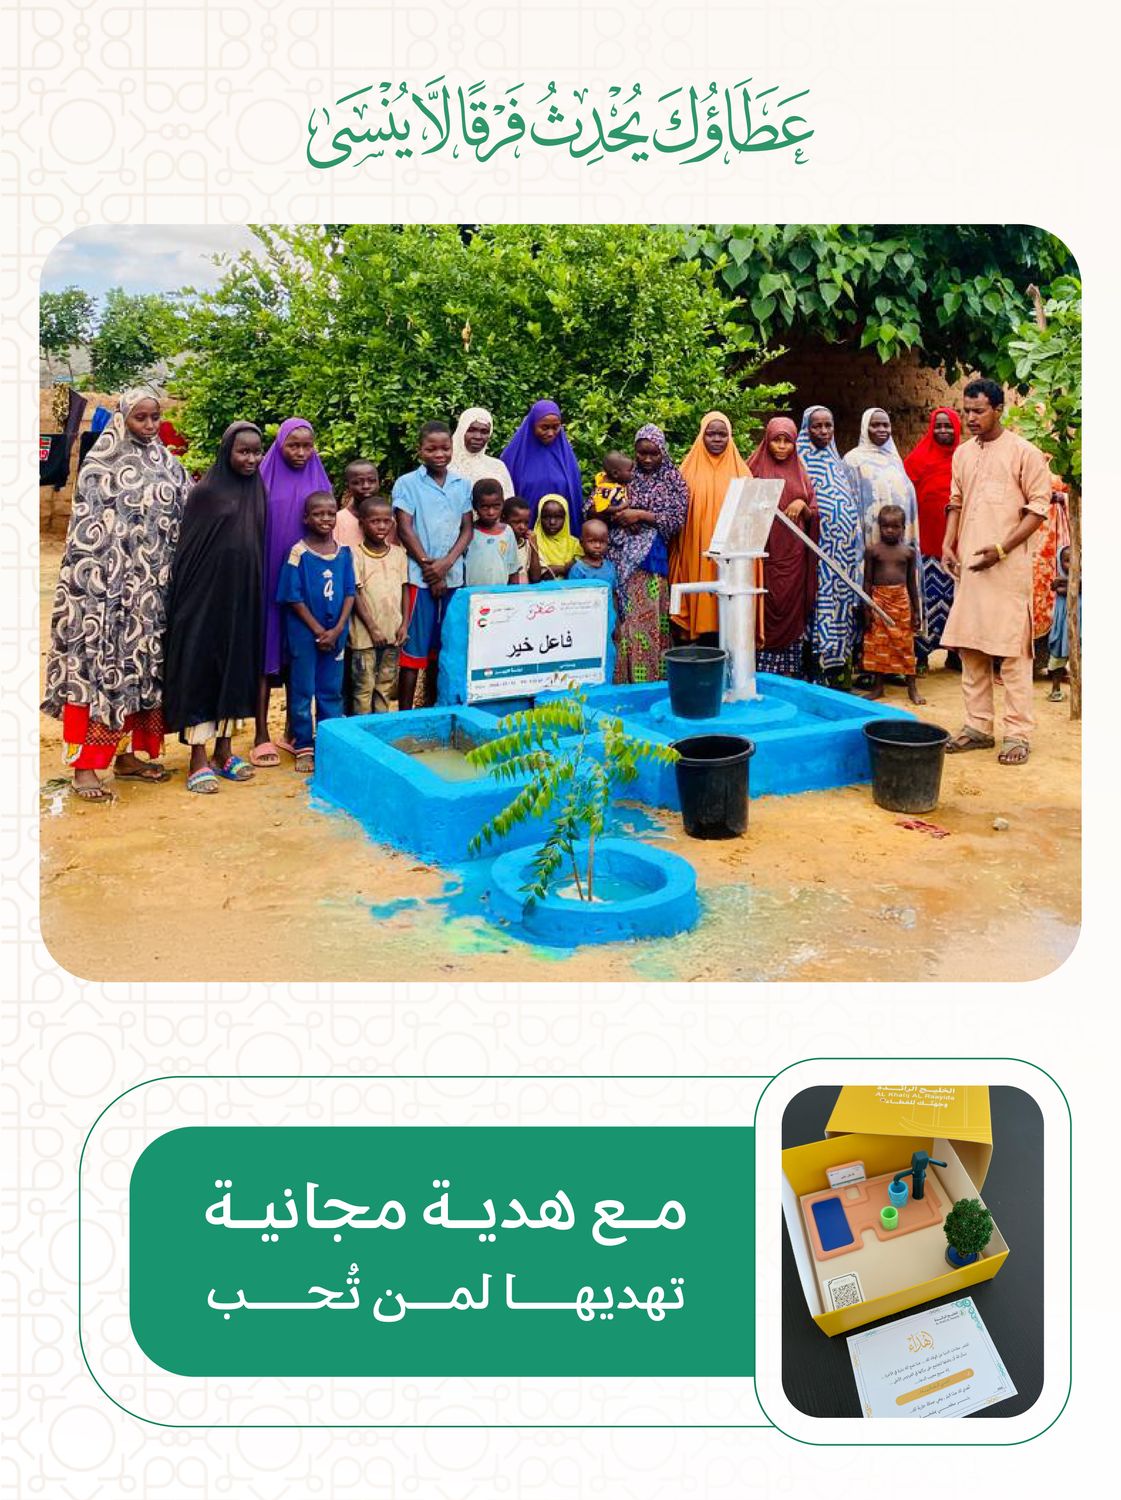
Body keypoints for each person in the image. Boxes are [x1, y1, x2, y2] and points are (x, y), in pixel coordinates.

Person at [41, 387, 190, 801]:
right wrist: (100, 589)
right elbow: (84, 536)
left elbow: (187, 513)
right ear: (124, 417)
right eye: (140, 417)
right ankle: (85, 767)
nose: (148, 425)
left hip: (152, 594)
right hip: (104, 598)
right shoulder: (99, 465)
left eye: (154, 417)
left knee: (142, 671)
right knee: (101, 673)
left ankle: (126, 758)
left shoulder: (167, 464)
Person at [941, 378, 1052, 765]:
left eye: (978, 411)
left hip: (1007, 569)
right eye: (966, 411)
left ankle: (1018, 733)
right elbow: (955, 501)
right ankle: (977, 727)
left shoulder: (1025, 453)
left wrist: (1002, 548)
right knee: (971, 646)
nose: (970, 418)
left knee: (1012, 654)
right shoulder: (963, 454)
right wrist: (947, 543)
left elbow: (1038, 510)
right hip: (971, 565)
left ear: (998, 410)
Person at [162, 421, 267, 794]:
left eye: (257, 451)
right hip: (205, 601)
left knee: (236, 671)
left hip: (243, 600)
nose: (251, 458)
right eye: (244, 451)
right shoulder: (206, 492)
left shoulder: (258, 490)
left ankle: (225, 752)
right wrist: (189, 606)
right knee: (202, 672)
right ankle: (198, 758)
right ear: (227, 452)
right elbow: (189, 554)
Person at [255, 417, 334, 766]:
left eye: (307, 445)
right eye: (293, 445)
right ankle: (260, 733)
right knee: (266, 655)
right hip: (268, 578)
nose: (301, 452)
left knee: (298, 655)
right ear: (281, 444)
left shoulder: (320, 478)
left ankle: (293, 730)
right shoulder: (262, 478)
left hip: (310, 585)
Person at [392, 420, 474, 710]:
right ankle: (404, 715)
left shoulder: (462, 485)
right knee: (413, 651)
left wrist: (446, 565)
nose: (439, 454)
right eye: (432, 449)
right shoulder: (407, 484)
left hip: (454, 578)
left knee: (447, 647)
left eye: (445, 448)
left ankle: (438, 707)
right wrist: (430, 568)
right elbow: (405, 528)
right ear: (420, 451)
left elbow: (467, 529)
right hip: (419, 578)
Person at [277, 491, 355, 772]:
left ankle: (328, 740)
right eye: (318, 514)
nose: (325, 519)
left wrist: (336, 630)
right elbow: (292, 596)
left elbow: (349, 593)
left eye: (330, 514)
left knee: (331, 689)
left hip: (336, 633)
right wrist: (318, 629)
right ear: (306, 518)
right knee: (302, 688)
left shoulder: (344, 552)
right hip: (305, 634)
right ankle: (303, 745)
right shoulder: (298, 553)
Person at [609, 423, 688, 683]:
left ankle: (651, 680)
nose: (647, 459)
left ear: (663, 451)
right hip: (621, 560)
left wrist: (640, 515)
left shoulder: (673, 480)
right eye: (641, 453)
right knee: (625, 622)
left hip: (653, 561)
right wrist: (618, 515)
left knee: (652, 621)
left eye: (653, 453)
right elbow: (596, 504)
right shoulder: (623, 475)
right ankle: (623, 680)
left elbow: (677, 518)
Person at [747, 416, 820, 678]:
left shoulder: (800, 473)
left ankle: (789, 672)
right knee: (762, 609)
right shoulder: (753, 469)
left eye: (786, 441)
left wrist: (802, 505)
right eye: (776, 440)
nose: (781, 447)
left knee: (791, 608)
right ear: (766, 441)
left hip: (794, 558)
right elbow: (740, 507)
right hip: (763, 557)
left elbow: (813, 509)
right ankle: (759, 672)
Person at [797, 405, 863, 684]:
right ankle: (816, 670)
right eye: (817, 426)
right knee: (818, 607)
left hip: (843, 557)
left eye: (828, 426)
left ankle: (838, 672)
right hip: (816, 555)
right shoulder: (799, 462)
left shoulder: (837, 461)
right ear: (806, 429)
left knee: (841, 608)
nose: (824, 431)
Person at [671, 411, 749, 640]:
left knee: (727, 608)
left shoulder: (742, 473)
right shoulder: (685, 472)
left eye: (722, 434)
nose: (716, 439)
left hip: (732, 555)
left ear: (730, 437)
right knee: (700, 596)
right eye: (711, 434)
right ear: (701, 436)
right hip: (696, 549)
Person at [904, 407, 962, 669]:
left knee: (956, 602)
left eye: (948, 426)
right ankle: (921, 656)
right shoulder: (917, 459)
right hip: (925, 544)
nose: (943, 431)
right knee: (926, 600)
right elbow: (905, 496)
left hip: (958, 545)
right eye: (938, 426)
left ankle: (954, 655)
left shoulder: (965, 458)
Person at [860, 504, 925, 705]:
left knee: (905, 644)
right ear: (879, 527)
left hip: (901, 602)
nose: (890, 530)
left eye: (895, 527)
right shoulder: (873, 551)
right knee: (878, 645)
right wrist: (867, 606)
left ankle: (912, 687)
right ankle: (878, 686)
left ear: (903, 528)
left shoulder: (908, 552)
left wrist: (916, 611)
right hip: (879, 601)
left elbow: (912, 584)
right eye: (885, 526)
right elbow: (868, 581)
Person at [349, 495, 408, 715]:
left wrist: (404, 625)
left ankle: (380, 729)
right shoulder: (354, 554)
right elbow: (355, 593)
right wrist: (372, 628)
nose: (381, 526)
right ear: (362, 523)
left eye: (386, 521)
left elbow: (404, 590)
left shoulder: (399, 554)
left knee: (385, 686)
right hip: (364, 636)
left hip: (393, 632)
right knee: (363, 688)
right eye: (375, 521)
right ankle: (361, 734)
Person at [844, 407, 922, 549]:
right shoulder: (853, 460)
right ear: (865, 428)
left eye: (886, 425)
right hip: (869, 534)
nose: (882, 429)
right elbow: (848, 503)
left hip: (898, 536)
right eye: (875, 425)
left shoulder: (894, 458)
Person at [500, 399, 584, 526]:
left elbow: (575, 500)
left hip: (559, 536)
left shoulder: (567, 459)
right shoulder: (513, 457)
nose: (550, 433)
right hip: (524, 532)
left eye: (555, 427)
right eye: (544, 427)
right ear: (532, 425)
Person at [465, 478, 520, 586]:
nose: (491, 512)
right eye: (485, 507)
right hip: (473, 594)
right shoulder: (468, 532)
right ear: (475, 506)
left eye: (496, 506)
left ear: (502, 504)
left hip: (499, 595)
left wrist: (514, 593)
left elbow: (513, 569)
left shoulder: (508, 532)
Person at [450, 407, 514, 497]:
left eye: (484, 432)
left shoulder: (497, 467)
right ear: (461, 430)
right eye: (471, 430)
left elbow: (508, 502)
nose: (478, 437)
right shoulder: (445, 466)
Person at [1046, 545, 1078, 701]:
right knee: (1058, 658)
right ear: (1060, 562)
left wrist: (1063, 581)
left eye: (1076, 559)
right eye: (1066, 561)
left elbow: (1076, 587)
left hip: (1080, 627)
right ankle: (1055, 690)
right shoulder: (1059, 579)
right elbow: (1058, 590)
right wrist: (1061, 582)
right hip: (1063, 628)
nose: (1072, 564)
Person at [334, 459, 382, 549]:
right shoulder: (336, 521)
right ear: (347, 485)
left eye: (371, 481)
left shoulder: (387, 520)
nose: (366, 486)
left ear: (379, 483)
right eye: (357, 482)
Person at [533, 494, 582, 578]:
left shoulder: (575, 544)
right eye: (546, 517)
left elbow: (581, 568)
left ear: (566, 518)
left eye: (558, 517)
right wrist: (563, 569)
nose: (552, 522)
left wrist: (553, 568)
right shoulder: (533, 542)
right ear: (539, 518)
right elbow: (539, 575)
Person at [503, 496, 541, 583]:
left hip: (524, 594)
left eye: (526, 522)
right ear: (503, 519)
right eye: (516, 522)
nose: (522, 527)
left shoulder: (527, 544)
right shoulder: (500, 543)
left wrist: (534, 547)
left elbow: (536, 578)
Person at [569, 517, 617, 586]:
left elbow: (612, 590)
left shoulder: (610, 567)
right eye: (592, 541)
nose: (597, 546)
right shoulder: (578, 569)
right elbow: (573, 592)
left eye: (602, 542)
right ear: (581, 542)